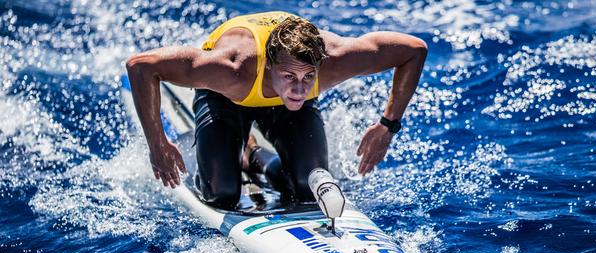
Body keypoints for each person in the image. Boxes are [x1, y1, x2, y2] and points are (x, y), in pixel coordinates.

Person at [126, 11, 427, 209]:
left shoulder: (334, 61)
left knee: (308, 188)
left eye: (309, 77)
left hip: (285, 108)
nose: (300, 88)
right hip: (227, 98)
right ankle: (236, 149)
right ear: (269, 66)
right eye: (290, 77)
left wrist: (388, 125)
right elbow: (141, 67)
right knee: (222, 194)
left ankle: (253, 154)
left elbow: (414, 50)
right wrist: (158, 143)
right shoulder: (231, 69)